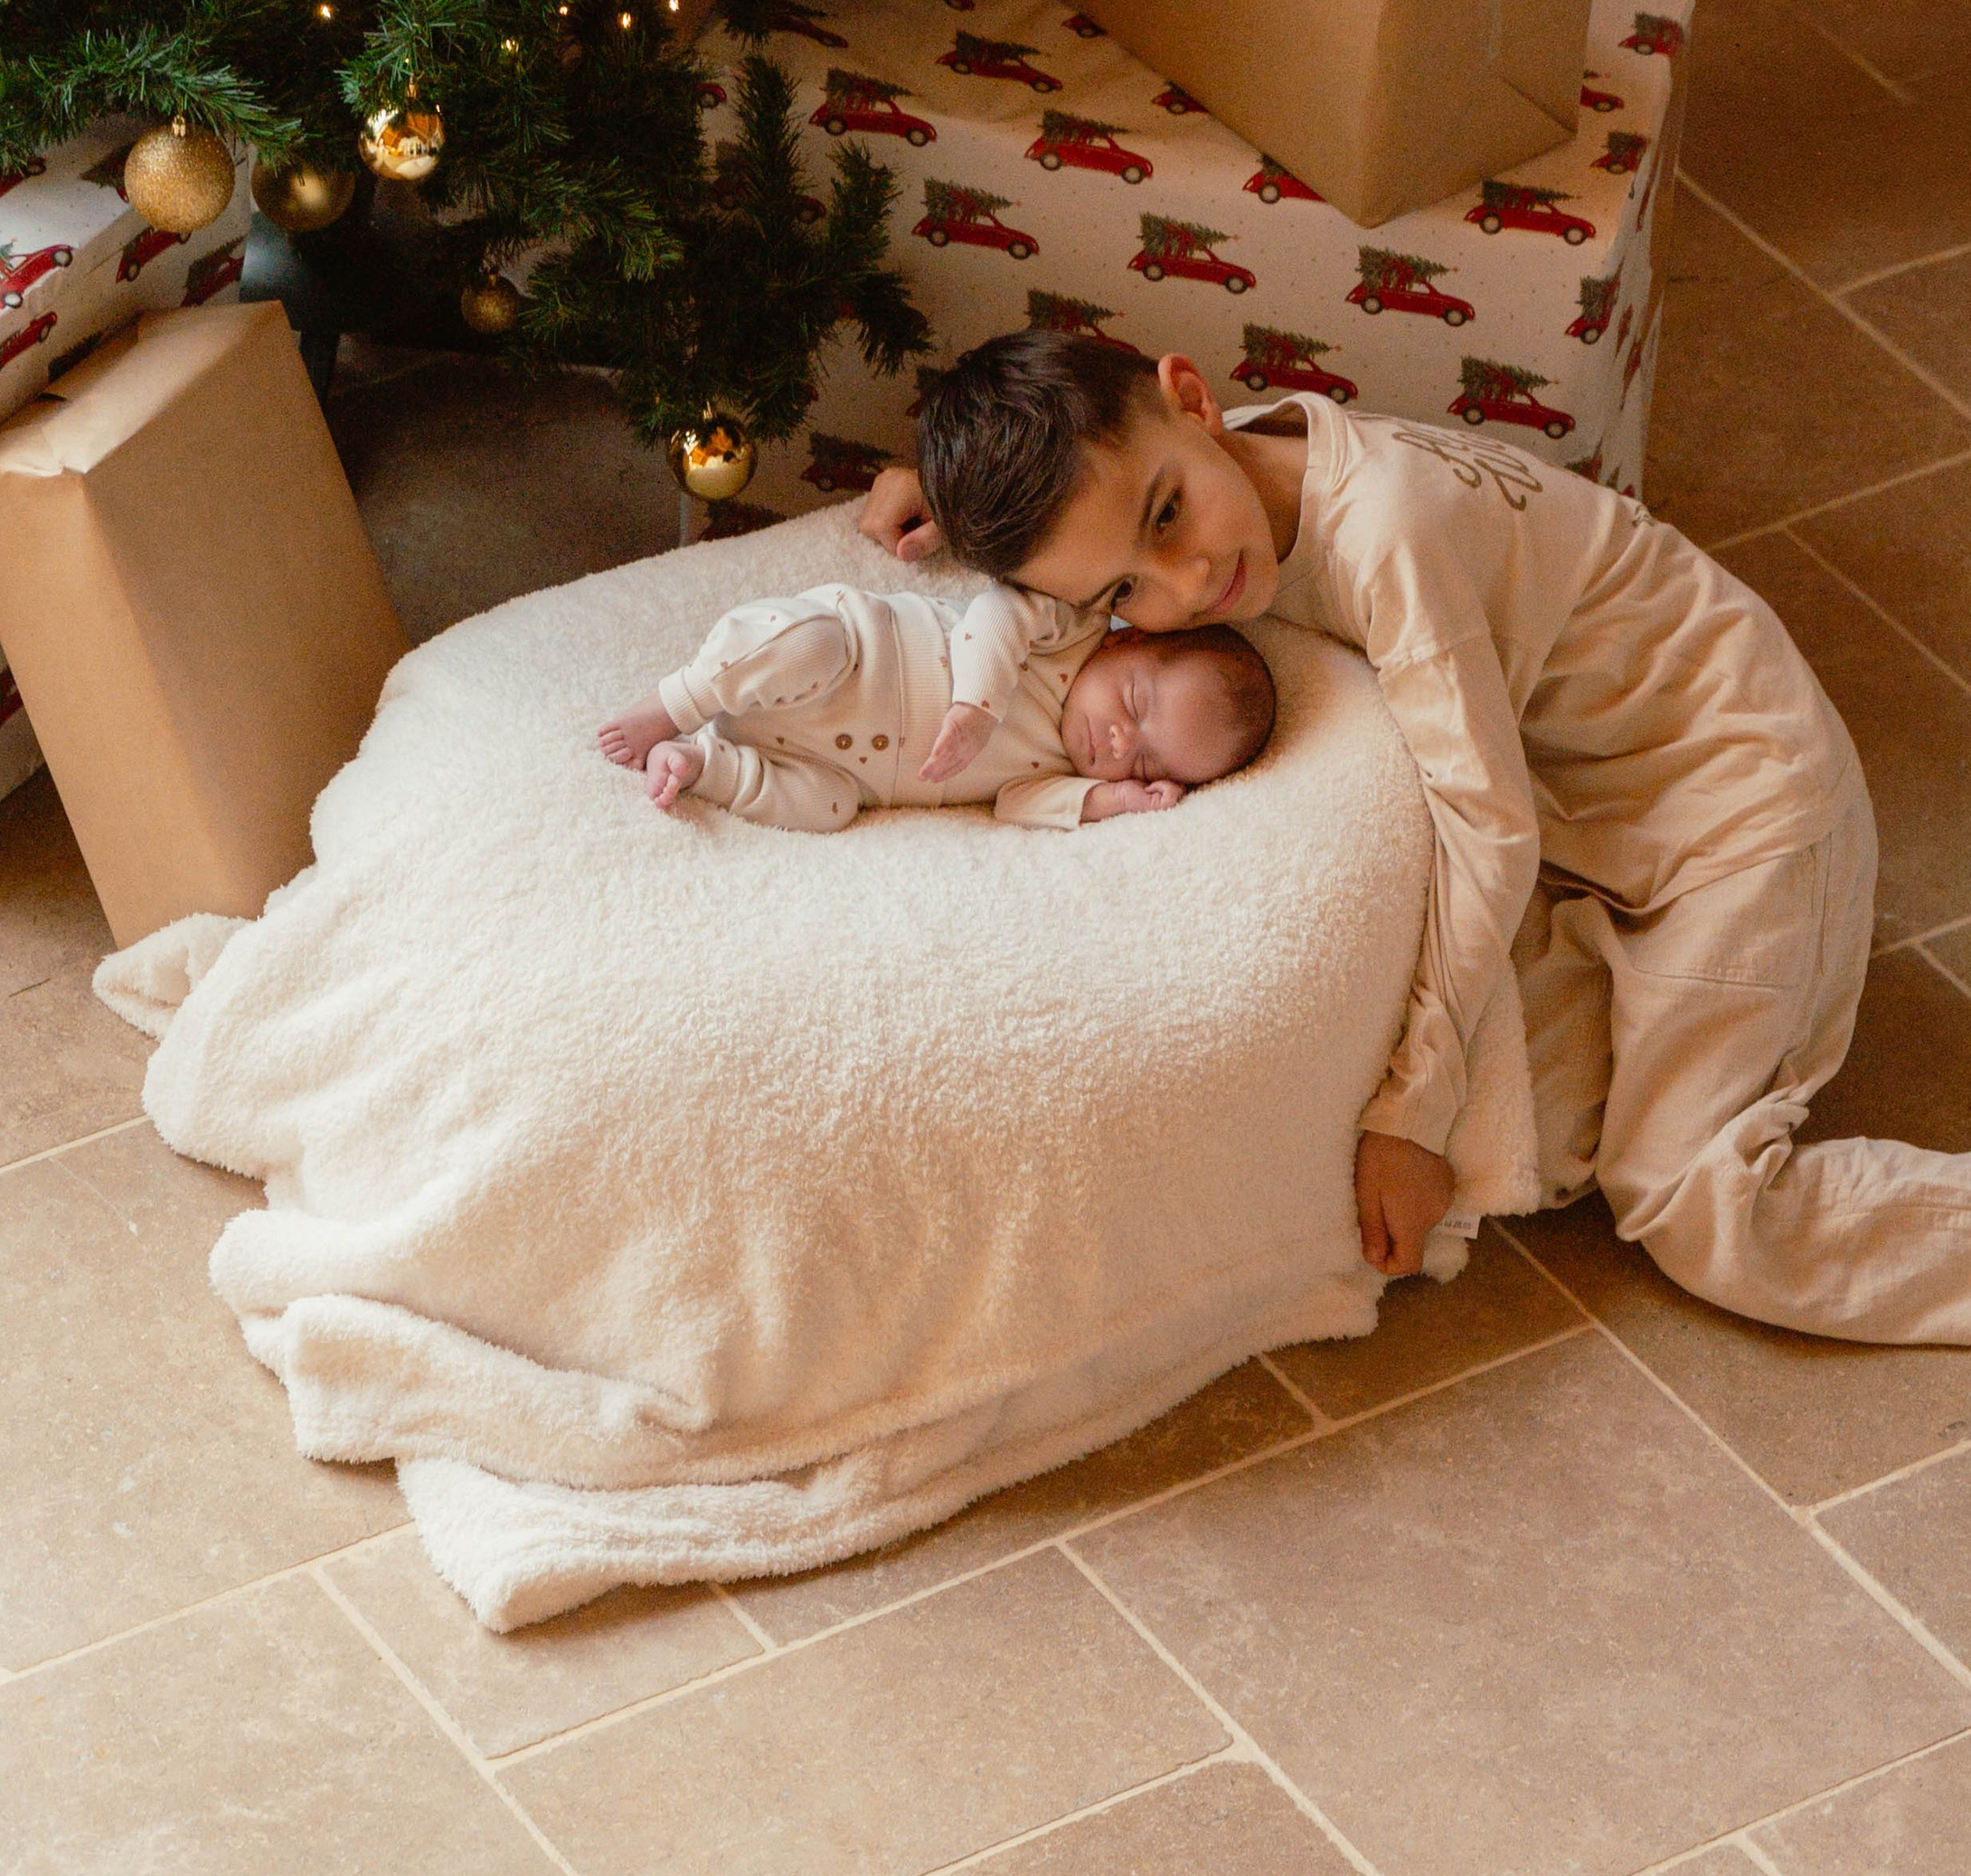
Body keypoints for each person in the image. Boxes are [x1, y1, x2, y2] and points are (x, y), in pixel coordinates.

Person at [861, 328, 1971, 1339]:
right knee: (1486, 1126)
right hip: (1586, 815)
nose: (1188, 579)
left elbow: (1488, 834)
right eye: (1123, 589)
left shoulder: (1385, 530)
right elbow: (1088, 507)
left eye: (1167, 516)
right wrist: (953, 503)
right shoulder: (1203, 475)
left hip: (1741, 806)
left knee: (1688, 1199)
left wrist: (1415, 1114)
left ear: (1193, 397)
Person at [595, 570, 1275, 832]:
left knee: (828, 809)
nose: (1123, 742)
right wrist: (975, 708)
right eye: (1135, 704)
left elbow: (1016, 803)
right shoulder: (1070, 629)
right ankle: (676, 702)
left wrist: (1110, 801)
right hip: (853, 659)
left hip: (841, 770)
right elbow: (996, 613)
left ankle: (701, 762)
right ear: (1125, 644)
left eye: (1148, 762)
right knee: (808, 642)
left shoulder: (1063, 771)